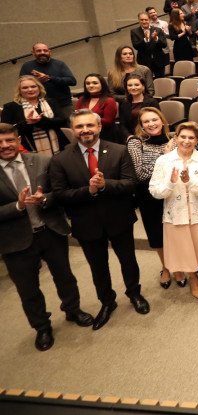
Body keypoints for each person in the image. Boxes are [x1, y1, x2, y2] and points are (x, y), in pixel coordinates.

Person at [48, 109, 150, 330]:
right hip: (86, 223)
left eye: (90, 125)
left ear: (99, 127)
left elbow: (130, 183)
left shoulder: (119, 151)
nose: (85, 130)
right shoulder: (60, 160)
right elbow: (60, 195)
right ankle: (107, 301)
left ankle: (134, 293)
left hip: (119, 218)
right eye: (79, 126)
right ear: (72, 130)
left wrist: (105, 185)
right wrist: (90, 191)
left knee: (128, 261)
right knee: (98, 267)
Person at [0, 123, 94, 350]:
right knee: (28, 289)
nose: (5, 145)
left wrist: (44, 199)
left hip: (51, 231)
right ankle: (42, 327)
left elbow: (59, 193)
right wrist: (17, 206)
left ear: (18, 140)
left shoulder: (41, 161)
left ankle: (73, 309)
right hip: (15, 241)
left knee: (65, 277)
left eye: (9, 140)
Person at [149, 122, 198, 300]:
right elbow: (154, 191)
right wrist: (171, 183)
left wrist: (189, 180)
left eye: (191, 138)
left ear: (197, 140)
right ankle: (193, 278)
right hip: (176, 214)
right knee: (185, 250)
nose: (186, 141)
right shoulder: (163, 161)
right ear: (176, 138)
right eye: (183, 137)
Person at [127, 106, 176, 288]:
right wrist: (165, 158)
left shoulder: (175, 141)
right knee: (157, 234)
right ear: (141, 125)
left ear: (162, 121)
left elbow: (179, 168)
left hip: (173, 193)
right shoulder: (135, 143)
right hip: (148, 196)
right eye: (146, 121)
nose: (151, 124)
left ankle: (179, 267)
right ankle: (166, 268)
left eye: (154, 119)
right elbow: (139, 174)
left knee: (176, 232)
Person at [2, 76, 68, 156]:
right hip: (27, 150)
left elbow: (63, 121)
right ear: (19, 91)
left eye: (33, 86)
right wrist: (27, 122)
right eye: (25, 88)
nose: (30, 90)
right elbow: (6, 131)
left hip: (57, 147)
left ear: (39, 88)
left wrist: (42, 120)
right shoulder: (10, 107)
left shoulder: (51, 102)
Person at [19, 43, 77, 124]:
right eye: (39, 51)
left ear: (49, 52)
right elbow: (22, 84)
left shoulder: (59, 64)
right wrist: (37, 81)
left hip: (63, 104)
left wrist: (49, 78)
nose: (42, 52)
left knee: (71, 126)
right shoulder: (27, 66)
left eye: (45, 50)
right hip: (39, 105)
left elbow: (72, 81)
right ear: (33, 53)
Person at [76, 74, 120, 143]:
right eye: (88, 83)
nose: (91, 85)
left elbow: (108, 122)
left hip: (105, 135)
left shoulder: (109, 100)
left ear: (102, 85)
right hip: (86, 134)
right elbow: (76, 118)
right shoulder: (81, 99)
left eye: (95, 83)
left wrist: (88, 117)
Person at [117, 74, 159, 140]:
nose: (133, 88)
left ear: (143, 87)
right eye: (130, 85)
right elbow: (122, 124)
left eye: (136, 85)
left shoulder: (152, 102)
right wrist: (129, 136)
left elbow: (156, 122)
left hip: (149, 137)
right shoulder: (124, 104)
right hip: (131, 138)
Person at [130, 13, 169, 78]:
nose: (144, 22)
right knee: (146, 81)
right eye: (141, 20)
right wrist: (145, 39)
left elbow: (164, 44)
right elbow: (136, 46)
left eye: (146, 20)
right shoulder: (134, 31)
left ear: (150, 20)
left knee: (160, 80)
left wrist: (156, 38)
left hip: (159, 61)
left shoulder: (158, 30)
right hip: (144, 62)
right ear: (139, 20)